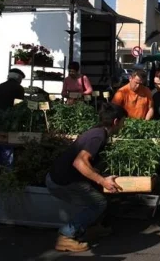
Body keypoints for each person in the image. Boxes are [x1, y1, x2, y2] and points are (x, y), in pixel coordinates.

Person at [45, 103, 128, 252]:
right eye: (123, 121)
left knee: (99, 191)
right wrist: (102, 180)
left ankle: (91, 228)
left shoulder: (97, 132)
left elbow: (85, 162)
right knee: (98, 203)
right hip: (62, 181)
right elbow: (79, 162)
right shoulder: (99, 135)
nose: (123, 125)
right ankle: (66, 236)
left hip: (61, 177)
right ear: (116, 121)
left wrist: (100, 176)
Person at [0, 68, 26, 167]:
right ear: (18, 78)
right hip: (8, 120)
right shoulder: (18, 88)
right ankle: (8, 170)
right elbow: (19, 105)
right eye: (21, 79)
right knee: (7, 144)